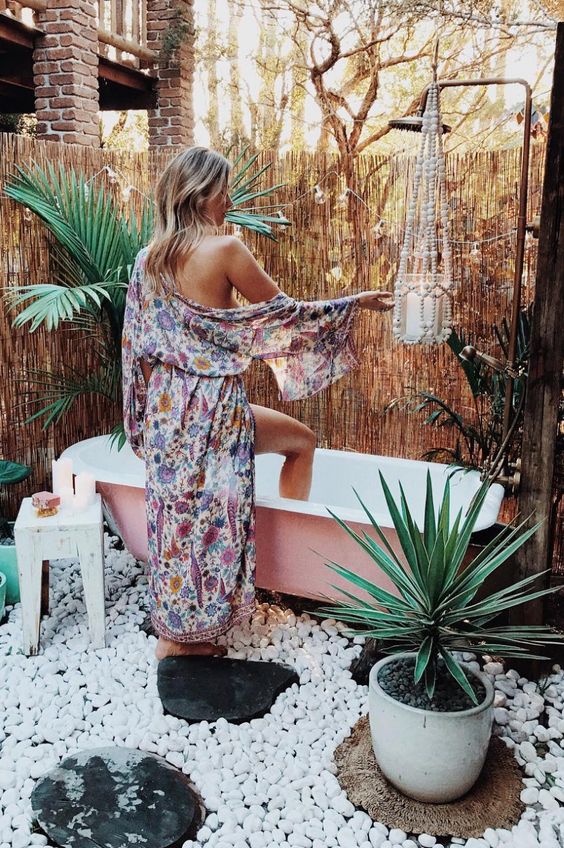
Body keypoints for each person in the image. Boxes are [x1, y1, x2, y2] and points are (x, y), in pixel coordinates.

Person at [122, 146, 393, 661]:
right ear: (201, 193)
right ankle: (191, 638)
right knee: (222, 508)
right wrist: (352, 304)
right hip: (211, 409)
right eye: (223, 188)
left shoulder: (147, 259)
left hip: (164, 411)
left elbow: (134, 350)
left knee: (178, 516)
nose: (229, 198)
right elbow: (286, 319)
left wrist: (140, 424)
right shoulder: (226, 250)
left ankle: (178, 631)